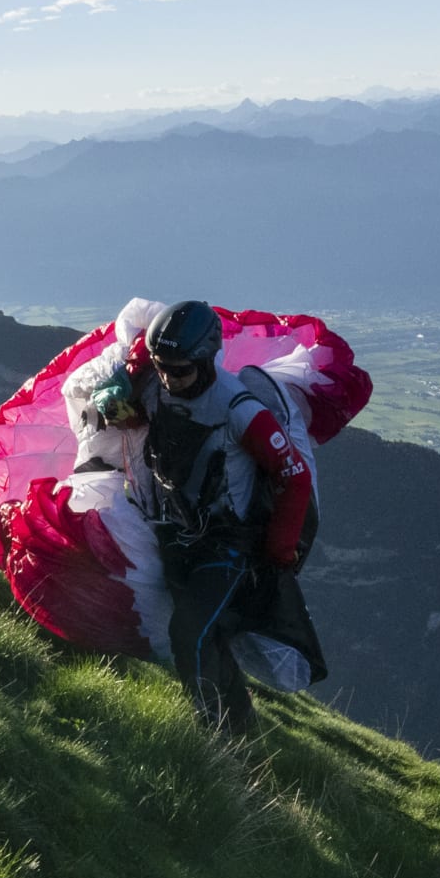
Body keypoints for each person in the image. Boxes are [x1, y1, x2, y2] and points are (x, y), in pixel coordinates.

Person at [126, 299, 322, 734]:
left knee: (189, 632)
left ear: (205, 359)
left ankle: (210, 737)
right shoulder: (158, 389)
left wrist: (279, 549)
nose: (168, 378)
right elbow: (139, 411)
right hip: (177, 535)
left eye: (180, 369)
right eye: (160, 366)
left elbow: (294, 476)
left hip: (229, 544)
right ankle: (241, 732)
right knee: (209, 637)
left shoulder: (241, 410)